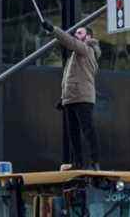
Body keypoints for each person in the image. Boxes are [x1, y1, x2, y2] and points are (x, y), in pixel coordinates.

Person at [42, 21, 102, 171]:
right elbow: (69, 79)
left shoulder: (86, 49)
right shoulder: (76, 56)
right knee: (73, 133)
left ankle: (95, 162)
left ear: (88, 36)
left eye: (80, 33)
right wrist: (63, 98)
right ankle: (78, 163)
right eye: (76, 33)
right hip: (71, 99)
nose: (76, 35)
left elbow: (67, 40)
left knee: (87, 130)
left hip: (82, 98)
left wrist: (53, 29)